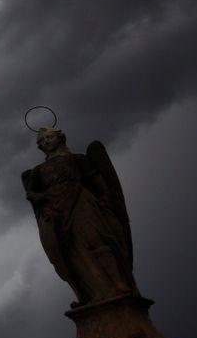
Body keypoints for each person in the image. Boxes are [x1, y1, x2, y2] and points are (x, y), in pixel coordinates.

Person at [21, 127, 137, 306]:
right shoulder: (38, 171)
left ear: (60, 138)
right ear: (40, 146)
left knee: (97, 241)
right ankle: (93, 292)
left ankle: (118, 284)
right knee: (71, 250)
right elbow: (31, 194)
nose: (47, 141)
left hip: (81, 202)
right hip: (55, 211)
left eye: (50, 137)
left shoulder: (77, 159)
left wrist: (106, 202)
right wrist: (43, 197)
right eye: (42, 140)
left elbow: (98, 182)